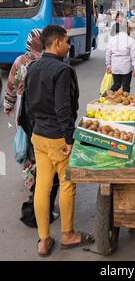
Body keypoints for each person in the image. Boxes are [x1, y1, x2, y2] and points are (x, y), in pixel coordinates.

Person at [25, 25, 94, 256]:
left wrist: (36, 129)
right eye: (66, 42)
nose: (68, 46)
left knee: (42, 187)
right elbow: (63, 108)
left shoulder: (32, 66)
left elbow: (28, 105)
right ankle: (67, 234)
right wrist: (69, 138)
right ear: (56, 43)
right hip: (57, 138)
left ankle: (43, 241)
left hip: (38, 136)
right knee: (66, 183)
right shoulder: (62, 70)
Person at [4, 29, 59, 226]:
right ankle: (42, 190)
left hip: (25, 113)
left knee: (29, 149)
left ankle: (32, 181)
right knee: (40, 152)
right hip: (44, 115)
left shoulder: (20, 61)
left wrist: (8, 106)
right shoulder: (51, 61)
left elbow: (11, 86)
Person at [106, 22, 135, 93]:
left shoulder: (112, 39)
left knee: (116, 84)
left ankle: (108, 96)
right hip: (126, 67)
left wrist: (108, 65)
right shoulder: (130, 40)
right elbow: (134, 56)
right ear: (127, 29)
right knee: (126, 86)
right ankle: (124, 101)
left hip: (115, 67)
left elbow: (108, 53)